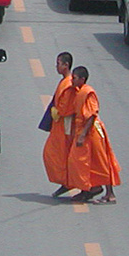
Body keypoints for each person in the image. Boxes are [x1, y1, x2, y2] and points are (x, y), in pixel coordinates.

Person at [64, 66, 121, 204]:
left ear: (82, 79)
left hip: (92, 132)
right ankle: (89, 188)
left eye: (75, 78)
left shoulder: (88, 93)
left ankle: (110, 193)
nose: (72, 80)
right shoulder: (79, 91)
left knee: (101, 161)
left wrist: (83, 135)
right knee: (81, 162)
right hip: (81, 131)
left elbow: (91, 116)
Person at [42, 52, 77, 198]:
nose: (56, 66)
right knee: (56, 154)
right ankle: (66, 181)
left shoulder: (69, 83)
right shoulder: (65, 81)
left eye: (58, 63)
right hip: (60, 124)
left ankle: (69, 182)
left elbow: (68, 107)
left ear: (66, 65)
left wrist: (57, 112)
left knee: (59, 154)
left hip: (65, 125)